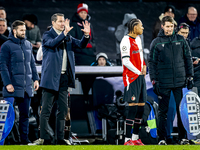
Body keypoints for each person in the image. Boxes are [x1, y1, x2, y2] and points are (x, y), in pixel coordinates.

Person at [39, 13, 90, 145]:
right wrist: (64, 33)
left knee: (62, 110)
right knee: (46, 110)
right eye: (61, 21)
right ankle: (45, 138)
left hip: (63, 79)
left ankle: (60, 138)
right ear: (54, 22)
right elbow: (52, 44)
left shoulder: (67, 36)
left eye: (64, 21)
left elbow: (80, 45)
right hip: (50, 79)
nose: (63, 24)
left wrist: (86, 36)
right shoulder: (47, 35)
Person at [149, 16, 193, 145]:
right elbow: (152, 64)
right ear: (162, 26)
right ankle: (162, 138)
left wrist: (189, 76)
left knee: (181, 111)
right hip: (163, 83)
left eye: (172, 26)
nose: (170, 29)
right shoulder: (156, 42)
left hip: (179, 82)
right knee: (163, 112)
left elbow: (188, 59)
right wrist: (154, 81)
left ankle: (183, 138)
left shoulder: (181, 40)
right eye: (167, 26)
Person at [0, 20, 39, 144]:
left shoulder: (28, 44)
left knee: (25, 116)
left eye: (24, 30)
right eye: (21, 30)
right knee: (7, 115)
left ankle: (24, 141)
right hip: (11, 87)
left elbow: (32, 64)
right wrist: (7, 84)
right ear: (14, 31)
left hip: (26, 87)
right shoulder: (6, 45)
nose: (24, 32)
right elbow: (3, 66)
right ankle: (5, 141)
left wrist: (36, 79)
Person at [120, 18, 146, 145]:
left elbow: (140, 56)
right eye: (141, 26)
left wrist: (144, 65)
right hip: (131, 77)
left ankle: (135, 139)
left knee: (141, 109)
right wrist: (137, 71)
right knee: (132, 109)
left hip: (140, 77)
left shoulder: (139, 39)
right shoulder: (125, 40)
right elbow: (125, 61)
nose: (143, 28)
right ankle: (126, 140)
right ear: (134, 27)